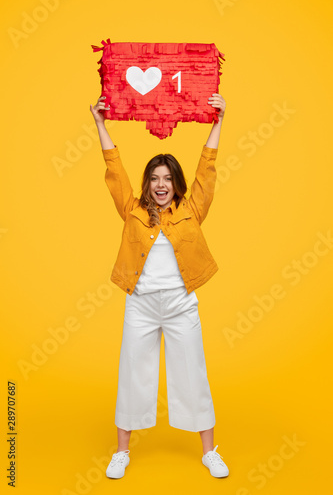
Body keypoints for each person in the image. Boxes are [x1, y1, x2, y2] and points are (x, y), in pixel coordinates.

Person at [89, 93, 229, 479]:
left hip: (182, 304)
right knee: (133, 372)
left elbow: (208, 170)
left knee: (193, 374)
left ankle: (209, 451)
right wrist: (100, 122)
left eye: (168, 179)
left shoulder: (192, 209)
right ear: (147, 184)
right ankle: (122, 452)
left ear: (176, 183)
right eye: (155, 178)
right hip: (142, 306)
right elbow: (113, 169)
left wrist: (218, 120)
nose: (162, 185)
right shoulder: (131, 209)